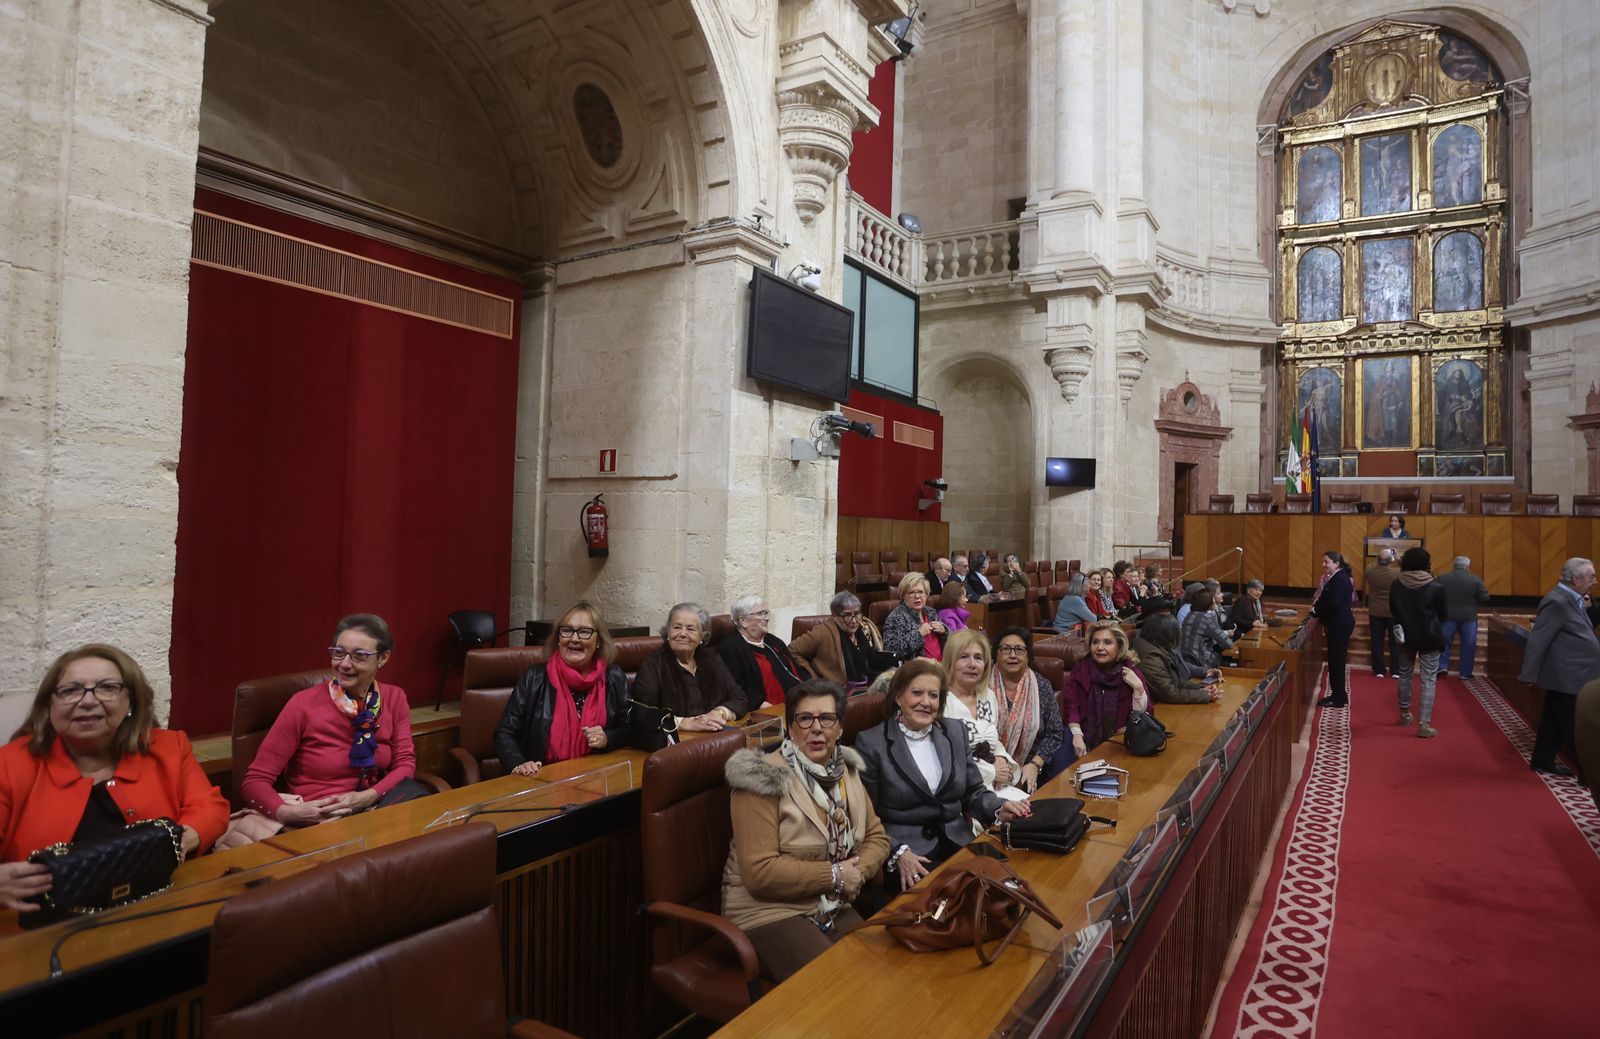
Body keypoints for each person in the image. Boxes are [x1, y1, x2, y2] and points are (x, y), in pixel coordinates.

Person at [1, 645, 230, 912]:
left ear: (131, 701)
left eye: (107, 687)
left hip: (158, 907)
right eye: (71, 690)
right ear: (49, 705)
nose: (87, 701)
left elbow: (211, 807)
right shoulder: (10, 764)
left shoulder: (168, 747)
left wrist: (183, 839)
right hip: (44, 929)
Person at [721, 678, 889, 981]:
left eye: (827, 718)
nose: (816, 728)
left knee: (881, 970)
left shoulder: (845, 770)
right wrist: (837, 876)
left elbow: (877, 837)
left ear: (839, 729)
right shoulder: (761, 779)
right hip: (768, 912)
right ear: (789, 728)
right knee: (836, 984)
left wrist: (856, 873)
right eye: (804, 718)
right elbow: (759, 873)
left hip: (830, 904)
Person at [853, 660, 1030, 892]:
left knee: (1006, 887)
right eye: (916, 693)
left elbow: (973, 792)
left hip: (959, 840)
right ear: (897, 697)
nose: (926, 702)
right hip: (910, 853)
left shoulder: (954, 732)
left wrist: (999, 808)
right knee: (938, 911)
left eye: (933, 695)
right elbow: (867, 816)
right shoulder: (871, 742)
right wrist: (897, 852)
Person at [243, 614, 432, 825]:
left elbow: (405, 764)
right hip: (319, 817)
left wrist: (368, 796)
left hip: (376, 807)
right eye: (339, 653)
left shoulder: (395, 697)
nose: (345, 664)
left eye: (359, 655)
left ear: (383, 658)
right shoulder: (302, 704)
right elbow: (254, 781)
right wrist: (287, 813)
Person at [494, 601, 630, 778]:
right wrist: (520, 763)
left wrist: (608, 738)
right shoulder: (534, 678)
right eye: (566, 630)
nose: (574, 638)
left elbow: (631, 729)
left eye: (584, 632)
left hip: (599, 779)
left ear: (598, 641)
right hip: (542, 780)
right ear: (558, 639)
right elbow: (505, 733)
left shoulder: (614, 677)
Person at [1518, 558, 1600, 778]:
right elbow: (1539, 640)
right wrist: (1529, 674)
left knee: (1553, 720)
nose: (1595, 582)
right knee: (1576, 727)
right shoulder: (1558, 601)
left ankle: (1542, 759)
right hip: (1569, 675)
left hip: (1572, 673)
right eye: (1592, 577)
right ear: (1576, 579)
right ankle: (1591, 774)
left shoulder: (1572, 599)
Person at [632, 603, 745, 732]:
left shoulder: (712, 659)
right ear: (668, 631)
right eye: (677, 627)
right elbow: (643, 714)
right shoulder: (653, 664)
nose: (683, 634)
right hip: (677, 742)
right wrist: (685, 723)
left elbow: (739, 697)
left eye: (691, 629)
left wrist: (717, 714)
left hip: (714, 736)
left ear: (702, 636)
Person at [940, 629, 1017, 795]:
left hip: (996, 785)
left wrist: (1003, 760)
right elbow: (945, 759)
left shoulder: (988, 696)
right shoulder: (940, 701)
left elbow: (994, 741)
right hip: (962, 793)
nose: (972, 664)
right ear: (950, 663)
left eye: (978, 658)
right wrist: (991, 771)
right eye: (964, 657)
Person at [1062, 620, 1151, 761]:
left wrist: (1138, 690)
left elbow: (1143, 717)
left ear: (1119, 646)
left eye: (1107, 642)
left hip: (1122, 745)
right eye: (1095, 642)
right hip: (1085, 745)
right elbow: (1071, 707)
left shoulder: (1130, 672)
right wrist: (1077, 735)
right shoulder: (1081, 670)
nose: (1100, 647)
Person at [990, 628, 1063, 792]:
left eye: (1019, 649)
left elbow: (1055, 732)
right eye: (1005, 649)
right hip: (989, 764)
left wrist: (1035, 765)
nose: (1012, 655)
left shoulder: (1040, 684)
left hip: (1030, 765)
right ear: (996, 654)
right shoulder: (982, 683)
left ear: (1028, 655)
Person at [1390, 547, 1448, 738]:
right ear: (1426, 564)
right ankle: (1424, 724)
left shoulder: (1397, 584)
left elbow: (1394, 610)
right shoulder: (1435, 586)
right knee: (1428, 679)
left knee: (1405, 675)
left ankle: (1405, 713)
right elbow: (1443, 615)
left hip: (1405, 637)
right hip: (1429, 637)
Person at [717, 595, 805, 712]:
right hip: (767, 711)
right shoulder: (730, 647)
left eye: (766, 613)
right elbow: (735, 686)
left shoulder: (773, 641)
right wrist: (761, 705)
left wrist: (812, 689)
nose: (766, 618)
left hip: (799, 703)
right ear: (743, 621)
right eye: (760, 614)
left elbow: (795, 669)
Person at [788, 592, 885, 686]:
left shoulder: (865, 628)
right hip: (839, 690)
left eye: (857, 614)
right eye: (847, 616)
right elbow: (792, 650)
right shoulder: (822, 633)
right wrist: (812, 678)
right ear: (835, 616)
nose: (854, 621)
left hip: (870, 684)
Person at [1133, 614, 1222, 705]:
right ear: (1166, 634)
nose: (1179, 632)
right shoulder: (1151, 657)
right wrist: (1204, 695)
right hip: (1158, 707)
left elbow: (1175, 681)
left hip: (1168, 698)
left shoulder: (1157, 646)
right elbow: (1169, 693)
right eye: (1176, 630)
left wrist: (1201, 688)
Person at [1312, 551, 1356, 708]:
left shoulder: (1340, 578)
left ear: (1336, 563)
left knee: (1336, 662)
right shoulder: (1339, 577)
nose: (1324, 565)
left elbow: (1334, 603)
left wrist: (1316, 611)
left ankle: (1338, 698)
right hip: (1338, 623)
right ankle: (1339, 695)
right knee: (1335, 661)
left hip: (1339, 624)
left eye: (1327, 562)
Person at [1436, 556, 1489, 678]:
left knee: (1444, 642)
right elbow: (1484, 598)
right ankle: (1465, 673)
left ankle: (1442, 666)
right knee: (1468, 644)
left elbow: (1434, 594)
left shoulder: (1442, 578)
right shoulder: (1475, 579)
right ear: (1467, 567)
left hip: (1447, 615)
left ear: (1454, 566)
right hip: (1468, 617)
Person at [882, 572, 947, 661]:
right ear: (904, 596)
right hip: (917, 670)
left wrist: (944, 631)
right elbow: (891, 650)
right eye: (911, 593)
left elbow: (947, 639)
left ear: (926, 595)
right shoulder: (895, 617)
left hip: (942, 665)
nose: (917, 596)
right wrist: (918, 634)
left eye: (920, 592)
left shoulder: (931, 612)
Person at [1365, 548, 1400, 678]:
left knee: (1376, 641)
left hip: (1375, 611)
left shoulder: (1370, 571)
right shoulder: (1397, 572)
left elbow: (1372, 565)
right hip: (1393, 611)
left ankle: (1379, 670)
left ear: (1378, 560)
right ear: (1391, 560)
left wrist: (1381, 555)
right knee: (1395, 642)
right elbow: (1407, 570)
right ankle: (1395, 670)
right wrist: (1398, 558)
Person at [1181, 587, 1235, 670]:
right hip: (1202, 661)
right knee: (1234, 664)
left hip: (1186, 661)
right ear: (1208, 602)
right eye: (1213, 598)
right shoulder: (1207, 618)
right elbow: (1228, 643)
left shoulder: (1189, 615)